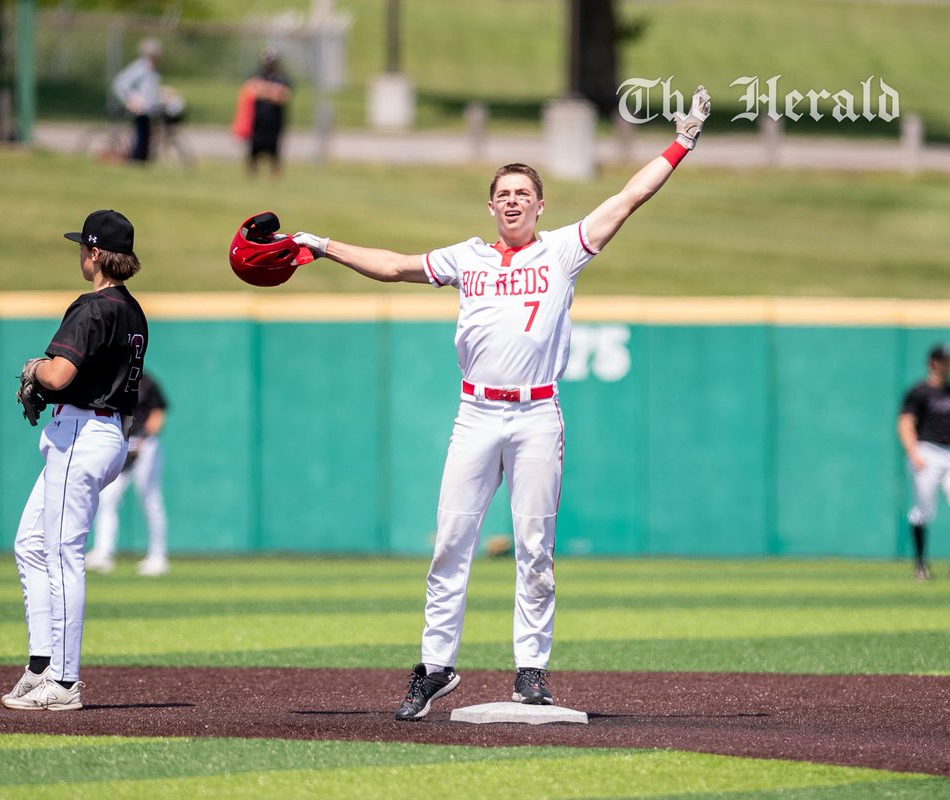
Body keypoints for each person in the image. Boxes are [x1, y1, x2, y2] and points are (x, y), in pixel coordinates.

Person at [288, 86, 711, 721]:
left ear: (541, 205)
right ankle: (434, 668)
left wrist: (681, 143)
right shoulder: (469, 257)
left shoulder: (562, 250)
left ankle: (531, 671)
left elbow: (627, 199)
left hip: (537, 414)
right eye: (504, 193)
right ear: (491, 205)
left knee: (535, 547)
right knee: (451, 541)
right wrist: (320, 244)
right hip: (476, 413)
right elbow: (394, 265)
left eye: (523, 193)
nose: (513, 201)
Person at [3, 209, 149, 711]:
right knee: (30, 544)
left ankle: (63, 683)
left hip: (82, 432)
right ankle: (42, 665)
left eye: (80, 248)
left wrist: (35, 368)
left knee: (62, 552)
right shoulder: (133, 311)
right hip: (103, 432)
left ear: (92, 253)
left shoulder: (94, 306)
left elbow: (61, 374)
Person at [86, 373, 171, 576]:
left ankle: (158, 556)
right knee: (107, 498)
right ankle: (103, 553)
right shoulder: (112, 379)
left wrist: (142, 440)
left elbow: (158, 412)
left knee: (150, 500)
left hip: (144, 444)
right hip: (119, 442)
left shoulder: (147, 381)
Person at [898, 342, 950, 582]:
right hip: (926, 451)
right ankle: (920, 565)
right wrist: (913, 452)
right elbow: (905, 422)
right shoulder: (919, 391)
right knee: (923, 509)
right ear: (933, 363)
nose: (949, 365)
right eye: (944, 360)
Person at [112, 38, 163, 163]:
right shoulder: (139, 68)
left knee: (147, 135)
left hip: (149, 109)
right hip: (140, 109)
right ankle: (135, 160)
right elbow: (120, 83)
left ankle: (142, 160)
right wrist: (131, 98)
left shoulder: (151, 70)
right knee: (140, 135)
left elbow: (150, 90)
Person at [243, 47, 291, 178]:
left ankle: (275, 176)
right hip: (258, 119)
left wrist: (263, 89)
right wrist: (273, 91)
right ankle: (252, 176)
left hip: (275, 120)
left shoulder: (282, 77)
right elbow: (250, 90)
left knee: (274, 150)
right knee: (254, 148)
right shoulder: (257, 74)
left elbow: (283, 95)